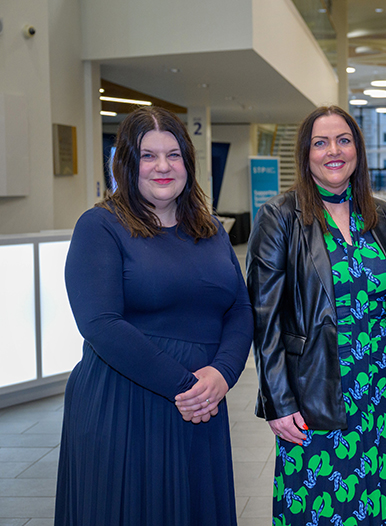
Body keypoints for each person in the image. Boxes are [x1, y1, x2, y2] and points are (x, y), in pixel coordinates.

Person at [55, 106, 253, 525]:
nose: (163, 166)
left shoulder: (210, 229)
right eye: (148, 156)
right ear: (127, 164)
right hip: (125, 403)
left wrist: (222, 374)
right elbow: (100, 324)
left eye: (173, 155)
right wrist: (188, 388)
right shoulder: (100, 226)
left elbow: (239, 307)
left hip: (201, 404)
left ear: (188, 163)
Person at [246, 105, 386, 525]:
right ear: (305, 153)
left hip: (373, 390)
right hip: (313, 390)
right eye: (320, 143)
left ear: (357, 149)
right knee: (316, 503)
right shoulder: (279, 217)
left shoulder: (380, 216)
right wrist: (278, 401)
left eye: (343, 140)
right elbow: (265, 319)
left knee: (368, 498)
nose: (333, 151)